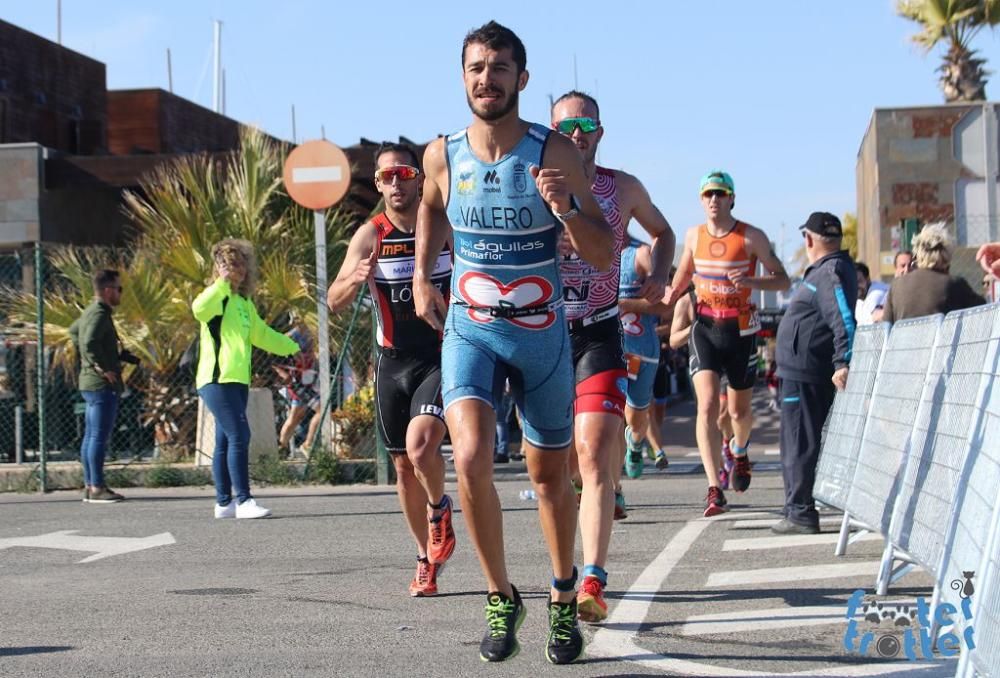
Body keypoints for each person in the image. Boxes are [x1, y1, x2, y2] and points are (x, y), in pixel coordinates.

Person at [412, 22, 614, 664]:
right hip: (471, 328)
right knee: (467, 456)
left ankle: (560, 596)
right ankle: (502, 596)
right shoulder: (442, 154)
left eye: (499, 68)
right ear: (463, 77)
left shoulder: (555, 154)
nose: (486, 79)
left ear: (521, 79)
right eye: (476, 67)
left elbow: (604, 252)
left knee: (548, 476)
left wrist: (568, 211)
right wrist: (422, 274)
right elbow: (433, 207)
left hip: (542, 334)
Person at [551, 91, 675, 624]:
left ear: (600, 132)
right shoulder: (533, 184)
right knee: (559, 467)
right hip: (545, 335)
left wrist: (663, 273)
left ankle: (594, 580)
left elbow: (664, 231)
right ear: (552, 133)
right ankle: (566, 567)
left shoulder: (621, 188)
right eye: (566, 125)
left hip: (600, 332)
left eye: (586, 124)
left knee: (597, 452)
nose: (577, 133)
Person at [327, 142, 455, 597]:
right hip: (392, 362)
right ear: (378, 185)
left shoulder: (442, 225)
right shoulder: (370, 234)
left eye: (403, 174)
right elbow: (333, 300)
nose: (395, 183)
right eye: (386, 177)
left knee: (421, 449)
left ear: (420, 178)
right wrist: (354, 278)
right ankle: (425, 558)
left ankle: (439, 508)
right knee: (402, 466)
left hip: (440, 356)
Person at [666, 171, 790, 517]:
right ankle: (713, 488)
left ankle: (740, 449)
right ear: (701, 200)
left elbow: (783, 280)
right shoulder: (693, 236)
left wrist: (750, 279)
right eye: (708, 194)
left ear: (732, 198)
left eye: (720, 193)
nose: (714, 200)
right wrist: (668, 293)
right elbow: (682, 277)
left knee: (738, 412)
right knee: (706, 406)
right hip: (705, 327)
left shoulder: (751, 237)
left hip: (740, 332)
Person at [193, 239, 300, 520]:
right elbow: (199, 309)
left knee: (225, 441)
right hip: (216, 380)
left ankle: (223, 503)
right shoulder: (217, 297)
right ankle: (244, 500)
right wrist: (220, 285)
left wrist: (294, 346)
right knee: (240, 435)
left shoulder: (243, 302)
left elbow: (261, 334)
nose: (235, 269)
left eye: (239, 263)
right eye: (228, 264)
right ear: (217, 268)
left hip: (237, 381)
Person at [772, 212, 857, 535]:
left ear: (809, 239)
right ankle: (795, 504)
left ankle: (800, 511)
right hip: (802, 370)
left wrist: (842, 360)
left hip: (807, 371)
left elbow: (843, 318)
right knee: (795, 439)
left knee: (798, 441)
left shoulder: (830, 271)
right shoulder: (829, 270)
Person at [69, 269, 129, 504]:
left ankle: (89, 483)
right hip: (100, 384)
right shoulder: (99, 313)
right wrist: (102, 366)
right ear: (107, 291)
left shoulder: (91, 311)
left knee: (92, 434)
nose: (120, 293)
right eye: (118, 288)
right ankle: (97, 487)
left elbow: (73, 332)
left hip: (91, 383)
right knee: (98, 436)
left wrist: (91, 361)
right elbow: (88, 341)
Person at [619, 239, 671, 475]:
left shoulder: (639, 254)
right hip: (604, 348)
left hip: (640, 349)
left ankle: (636, 441)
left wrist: (621, 304)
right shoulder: (584, 251)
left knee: (636, 419)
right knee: (605, 421)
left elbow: (663, 305)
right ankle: (612, 489)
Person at [882, 223, 985, 323]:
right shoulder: (955, 284)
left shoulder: (896, 285)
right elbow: (983, 311)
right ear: (946, 254)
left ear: (918, 253)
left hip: (903, 340)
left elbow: (886, 325)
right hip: (943, 340)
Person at [274, 320, 323, 458]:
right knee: (321, 409)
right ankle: (306, 444)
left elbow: (313, 355)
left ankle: (282, 447)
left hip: (307, 382)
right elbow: (275, 354)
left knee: (295, 417)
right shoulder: (292, 335)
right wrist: (284, 374)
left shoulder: (312, 332)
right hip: (297, 383)